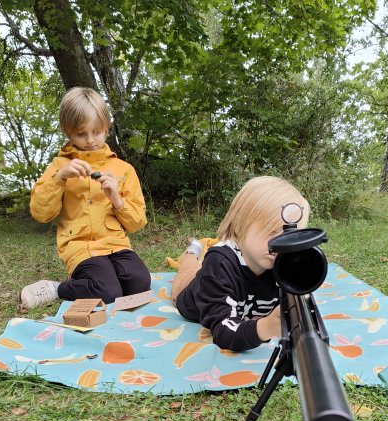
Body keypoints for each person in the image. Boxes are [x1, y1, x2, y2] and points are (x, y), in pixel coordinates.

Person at [20, 87, 150, 309]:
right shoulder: (59, 167)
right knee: (106, 292)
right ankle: (56, 288)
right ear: (67, 131)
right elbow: (41, 214)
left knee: (140, 284)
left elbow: (137, 223)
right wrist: (60, 178)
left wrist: (117, 199)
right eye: (81, 134)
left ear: (107, 127)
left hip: (116, 244)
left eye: (97, 131)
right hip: (80, 247)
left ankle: (103, 283)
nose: (90, 140)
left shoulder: (123, 169)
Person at [172, 176, 310, 352]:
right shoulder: (219, 264)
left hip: (218, 275)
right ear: (239, 225)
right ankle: (192, 250)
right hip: (191, 293)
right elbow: (222, 331)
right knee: (189, 268)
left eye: (288, 236)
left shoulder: (280, 262)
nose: (279, 244)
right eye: (271, 231)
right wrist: (266, 327)